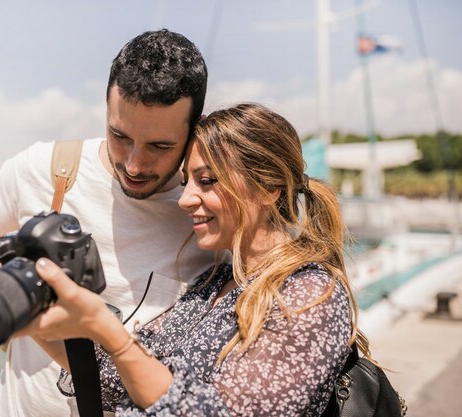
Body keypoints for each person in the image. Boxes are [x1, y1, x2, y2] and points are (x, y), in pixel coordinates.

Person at [19, 102, 373, 416]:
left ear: (268, 188)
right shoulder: (215, 282)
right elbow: (122, 378)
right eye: (188, 181)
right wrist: (33, 318)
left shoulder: (309, 295)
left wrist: (110, 332)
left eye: (206, 181)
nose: (186, 198)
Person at [0, 29, 219, 417]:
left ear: (194, 129)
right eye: (119, 136)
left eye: (160, 147)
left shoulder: (209, 218)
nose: (134, 164)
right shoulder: (42, 168)